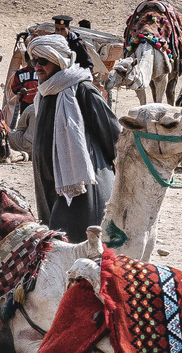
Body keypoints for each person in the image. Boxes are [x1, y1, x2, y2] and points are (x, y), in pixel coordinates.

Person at [21, 33, 119, 236]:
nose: (37, 67)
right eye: (34, 61)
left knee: (78, 240)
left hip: (82, 180)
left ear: (59, 60)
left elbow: (112, 133)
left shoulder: (82, 89)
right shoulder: (46, 93)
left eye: (43, 61)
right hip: (52, 182)